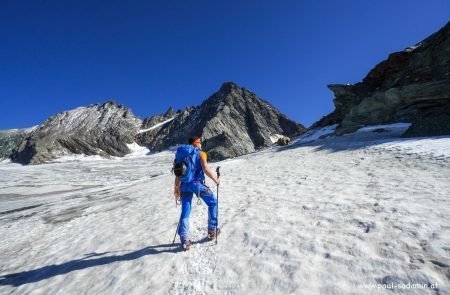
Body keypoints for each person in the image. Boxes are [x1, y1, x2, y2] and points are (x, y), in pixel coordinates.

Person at [174, 136, 221, 250]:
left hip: (184, 185)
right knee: (213, 202)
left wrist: (176, 188)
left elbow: (178, 173)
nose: (201, 144)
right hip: (197, 184)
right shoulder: (201, 153)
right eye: (200, 142)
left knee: (185, 210)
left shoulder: (180, 154)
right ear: (195, 143)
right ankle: (211, 231)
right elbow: (205, 167)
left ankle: (184, 240)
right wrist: (216, 180)